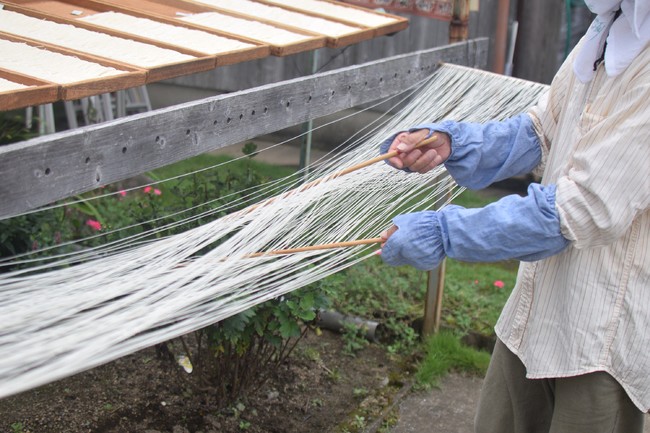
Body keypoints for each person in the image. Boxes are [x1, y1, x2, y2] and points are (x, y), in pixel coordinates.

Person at [378, 1, 650, 432]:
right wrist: (456, 143)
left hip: (599, 341)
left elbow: (582, 209)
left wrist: (445, 232)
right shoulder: (609, 29)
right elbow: (543, 128)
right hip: (534, 312)